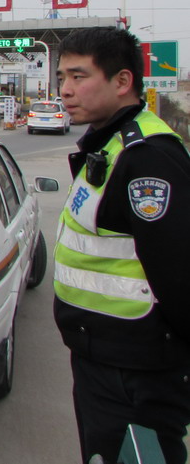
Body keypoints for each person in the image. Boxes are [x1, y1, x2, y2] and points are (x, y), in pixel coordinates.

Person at [53, 26, 190, 464]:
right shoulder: (111, 145)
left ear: (122, 81)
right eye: (61, 78)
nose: (65, 90)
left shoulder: (147, 157)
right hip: (104, 358)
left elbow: (178, 274)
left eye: (79, 77)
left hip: (138, 371)